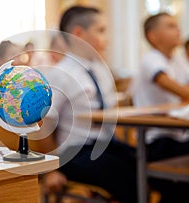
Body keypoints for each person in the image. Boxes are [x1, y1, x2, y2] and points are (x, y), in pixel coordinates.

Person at [39, 6, 137, 203]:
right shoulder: (60, 74)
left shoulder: (99, 69)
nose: (107, 38)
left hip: (106, 144)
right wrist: (50, 170)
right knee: (126, 176)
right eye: (101, 31)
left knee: (145, 163)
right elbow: (43, 124)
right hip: (75, 152)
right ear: (78, 34)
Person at [132, 12, 189, 203]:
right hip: (158, 139)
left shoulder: (178, 60)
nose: (178, 30)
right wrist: (185, 91)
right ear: (153, 36)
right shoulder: (152, 59)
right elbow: (179, 90)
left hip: (178, 134)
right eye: (170, 26)